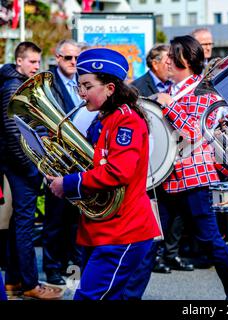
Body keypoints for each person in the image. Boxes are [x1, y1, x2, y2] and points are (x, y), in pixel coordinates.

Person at [47, 48, 161, 300]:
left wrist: (67, 183)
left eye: (87, 85)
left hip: (123, 230)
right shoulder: (103, 119)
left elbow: (118, 171)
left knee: (88, 297)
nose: (81, 93)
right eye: (79, 86)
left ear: (110, 88)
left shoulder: (126, 121)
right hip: (102, 228)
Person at [153, 35, 228, 294]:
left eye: (172, 55)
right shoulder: (171, 91)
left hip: (194, 178)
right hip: (168, 176)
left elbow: (192, 131)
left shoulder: (204, 90)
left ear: (186, 59)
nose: (166, 60)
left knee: (211, 241)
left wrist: (168, 107)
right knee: (150, 241)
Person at [0, 41, 62, 300]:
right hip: (20, 167)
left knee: (19, 225)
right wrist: (33, 168)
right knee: (24, 225)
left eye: (38, 62)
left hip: (18, 166)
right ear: (19, 62)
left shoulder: (13, 83)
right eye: (33, 62)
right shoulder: (12, 87)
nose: (37, 67)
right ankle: (30, 284)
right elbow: (13, 131)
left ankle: (14, 281)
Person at [130, 43, 173, 275]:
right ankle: (148, 257)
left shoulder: (174, 86)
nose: (170, 65)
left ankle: (164, 253)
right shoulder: (138, 87)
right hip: (148, 160)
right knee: (150, 210)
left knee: (166, 212)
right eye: (167, 61)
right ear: (155, 63)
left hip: (168, 157)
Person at [42, 39, 83, 286]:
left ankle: (74, 268)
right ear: (58, 58)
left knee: (77, 221)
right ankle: (52, 268)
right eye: (68, 58)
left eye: (76, 58)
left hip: (79, 163)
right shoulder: (49, 84)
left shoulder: (82, 82)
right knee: (55, 221)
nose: (73, 63)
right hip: (58, 161)